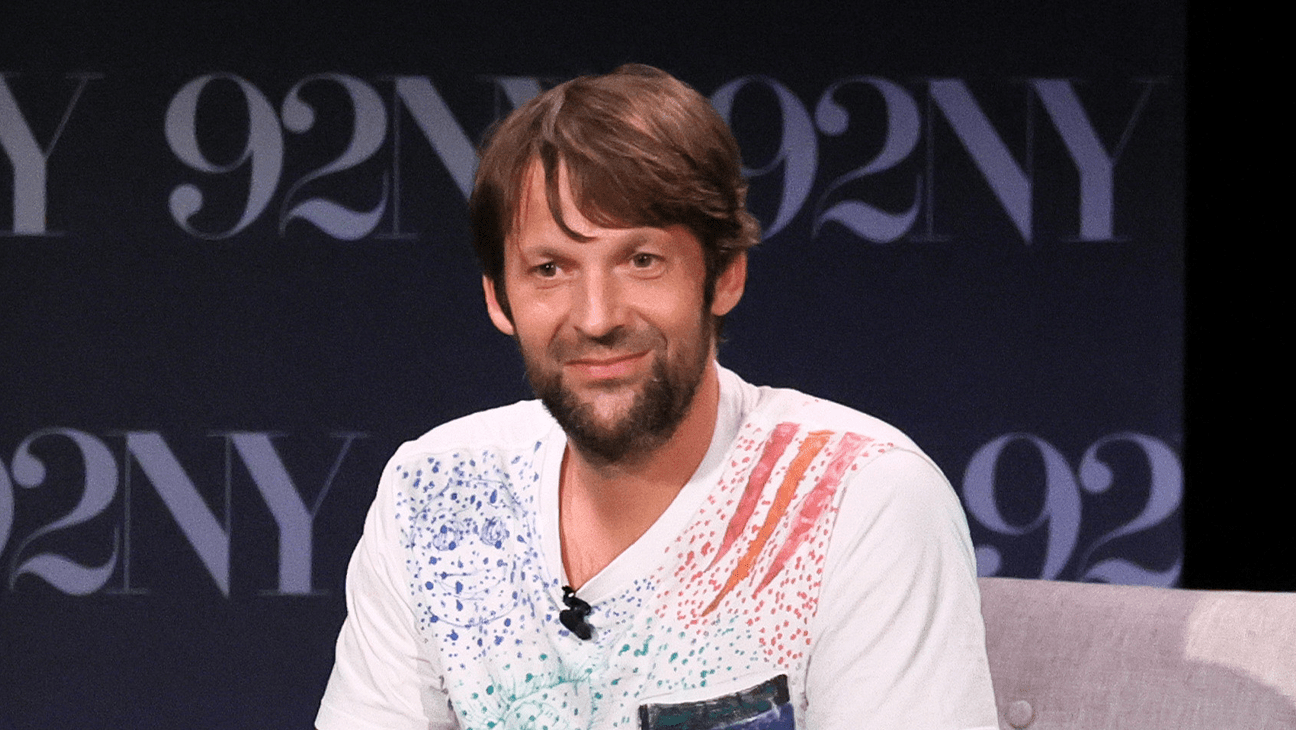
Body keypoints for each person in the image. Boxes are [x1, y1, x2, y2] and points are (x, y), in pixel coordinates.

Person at [317, 64, 997, 730]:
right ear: (499, 299)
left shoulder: (859, 497)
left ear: (724, 276)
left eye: (641, 260)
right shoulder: (436, 491)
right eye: (550, 269)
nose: (596, 317)